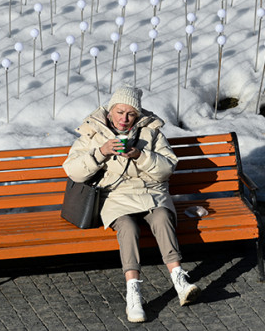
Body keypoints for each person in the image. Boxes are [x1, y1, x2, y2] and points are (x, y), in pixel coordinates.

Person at [62, 86, 199, 323]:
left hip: (150, 193)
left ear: (138, 115)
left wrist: (141, 156)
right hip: (115, 197)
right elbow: (73, 171)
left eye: (130, 114)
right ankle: (133, 293)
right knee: (127, 226)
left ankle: (179, 280)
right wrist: (101, 152)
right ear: (110, 112)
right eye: (119, 112)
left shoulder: (151, 132)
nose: (124, 119)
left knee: (162, 217)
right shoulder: (93, 132)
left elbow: (167, 168)